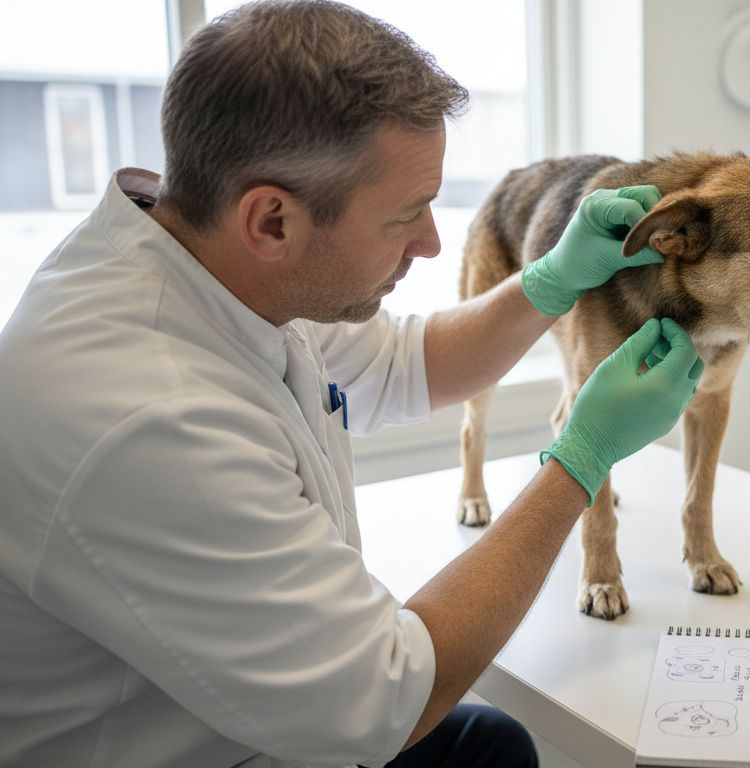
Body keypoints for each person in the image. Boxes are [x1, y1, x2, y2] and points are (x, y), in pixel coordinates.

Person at [0, 2, 701, 767]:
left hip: (251, 714)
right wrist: (580, 460)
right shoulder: (148, 419)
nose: (433, 243)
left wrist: (552, 280)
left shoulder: (215, 255)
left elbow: (405, 364)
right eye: (408, 215)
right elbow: (388, 700)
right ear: (272, 221)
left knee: (491, 743)